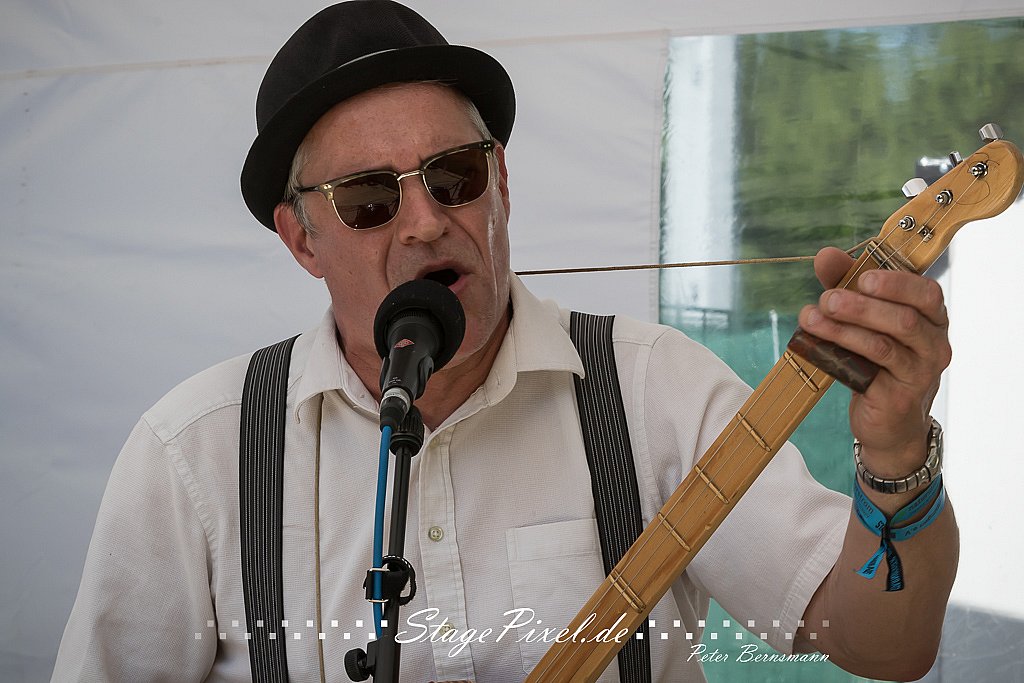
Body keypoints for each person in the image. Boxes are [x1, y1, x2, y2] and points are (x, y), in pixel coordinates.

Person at [52, 2, 958, 681]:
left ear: (503, 185)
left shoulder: (653, 390)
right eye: (370, 197)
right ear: (302, 241)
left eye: (454, 175)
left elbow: (885, 642)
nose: (424, 223)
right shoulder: (195, 454)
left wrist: (895, 451)